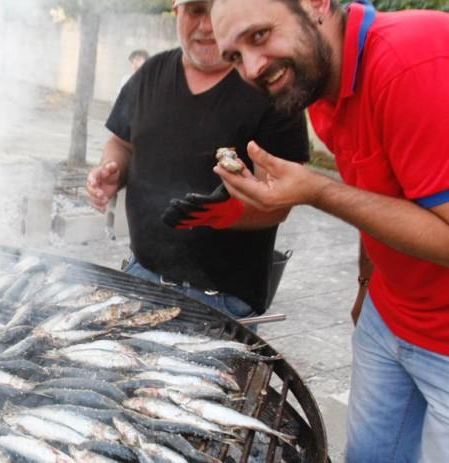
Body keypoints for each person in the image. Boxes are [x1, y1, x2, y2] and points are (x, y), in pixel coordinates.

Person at [209, 0, 449, 460]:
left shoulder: (411, 62)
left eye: (259, 35)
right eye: (235, 56)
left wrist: (317, 191)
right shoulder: (318, 80)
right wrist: (366, 283)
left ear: (317, 4)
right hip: (390, 315)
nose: (254, 67)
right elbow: (377, 190)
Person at [86, 0, 309, 320]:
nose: (206, 25)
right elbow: (121, 142)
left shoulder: (270, 84)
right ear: (177, 10)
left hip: (221, 300)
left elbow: (279, 202)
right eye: (195, 9)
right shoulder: (150, 73)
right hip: (139, 277)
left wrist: (222, 213)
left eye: (216, 10)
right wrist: (113, 170)